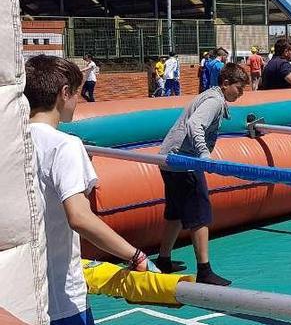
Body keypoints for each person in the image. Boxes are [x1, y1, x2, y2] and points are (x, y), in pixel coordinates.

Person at [25, 55, 156, 325]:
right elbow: (80, 217)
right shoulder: (65, 146)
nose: (78, 101)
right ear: (64, 93)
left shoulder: (13, 140)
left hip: (20, 296)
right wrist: (135, 255)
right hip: (61, 299)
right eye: (75, 94)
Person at [154, 63, 248, 285]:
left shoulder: (211, 96)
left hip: (170, 160)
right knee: (200, 215)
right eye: (239, 88)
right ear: (225, 84)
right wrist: (204, 154)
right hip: (184, 162)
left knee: (176, 212)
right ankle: (204, 271)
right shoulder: (214, 101)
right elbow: (195, 124)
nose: (241, 93)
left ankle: (163, 259)